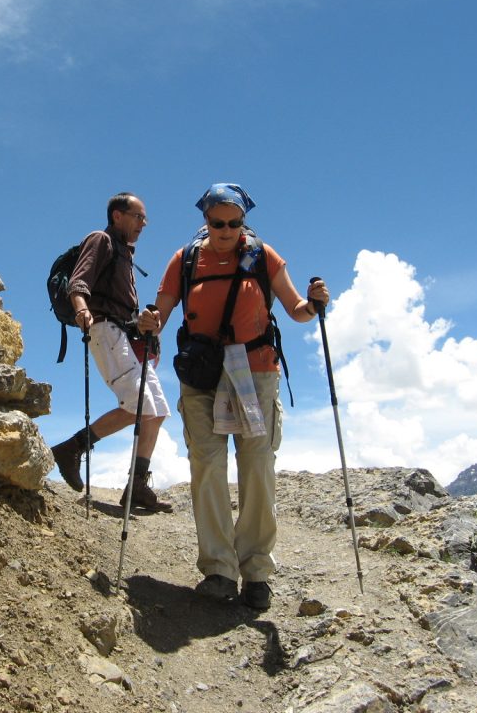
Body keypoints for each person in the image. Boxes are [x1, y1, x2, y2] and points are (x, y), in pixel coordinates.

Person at [145, 183, 330, 609]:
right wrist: (149, 321)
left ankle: (257, 573)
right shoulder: (186, 259)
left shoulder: (263, 257)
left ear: (243, 219)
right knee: (207, 465)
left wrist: (316, 305)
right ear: (205, 221)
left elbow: (297, 310)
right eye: (217, 223)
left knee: (257, 465)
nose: (226, 230)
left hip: (257, 370)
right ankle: (219, 570)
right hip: (202, 373)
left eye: (233, 222)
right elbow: (160, 312)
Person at [50, 192, 173, 513]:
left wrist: (144, 324)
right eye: (138, 216)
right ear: (118, 215)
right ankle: (71, 448)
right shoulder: (101, 240)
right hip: (104, 331)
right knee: (140, 407)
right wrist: (81, 311)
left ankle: (138, 485)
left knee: (157, 411)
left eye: (144, 218)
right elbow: (79, 282)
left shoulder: (124, 253)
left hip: (124, 335)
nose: (143, 223)